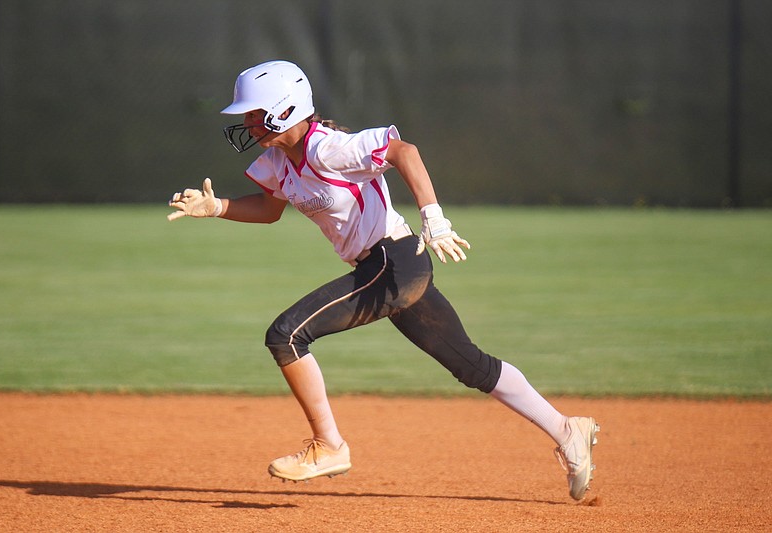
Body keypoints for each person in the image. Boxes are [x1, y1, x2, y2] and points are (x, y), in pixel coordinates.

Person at [167, 60, 599, 500]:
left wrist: (435, 219)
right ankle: (567, 429)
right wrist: (216, 207)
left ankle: (329, 445)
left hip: (394, 263)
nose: (246, 121)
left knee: (286, 335)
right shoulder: (279, 162)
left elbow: (403, 151)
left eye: (254, 111)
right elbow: (268, 210)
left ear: (284, 109)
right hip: (384, 269)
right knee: (470, 364)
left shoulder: (326, 148)